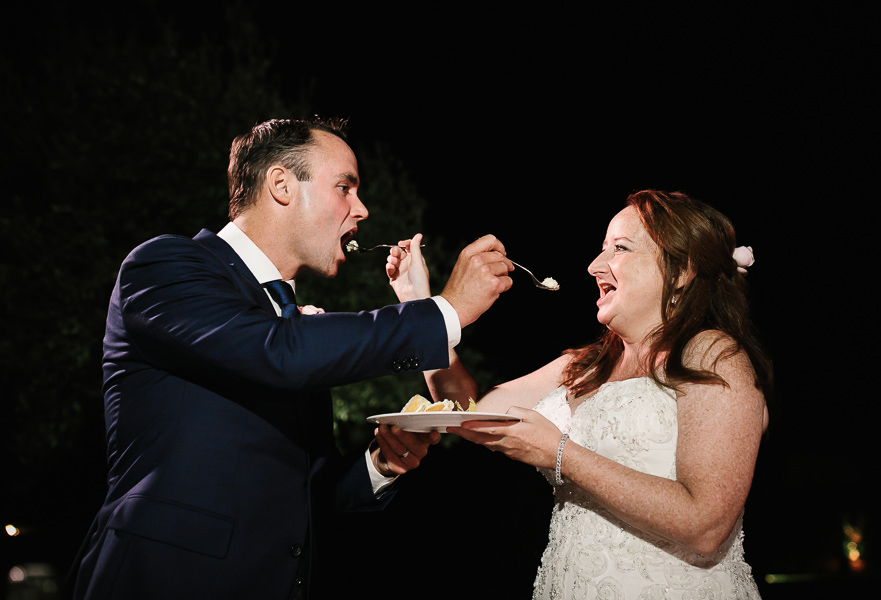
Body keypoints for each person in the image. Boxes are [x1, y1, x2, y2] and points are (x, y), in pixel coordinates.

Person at [68, 117, 514, 600]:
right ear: (281, 184)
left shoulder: (286, 321)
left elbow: (298, 499)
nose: (361, 209)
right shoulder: (165, 267)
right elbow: (278, 352)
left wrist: (378, 464)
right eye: (345, 187)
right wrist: (445, 310)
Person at [387, 190, 773, 599]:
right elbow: (470, 412)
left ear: (681, 270)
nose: (594, 267)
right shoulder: (585, 364)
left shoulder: (713, 355)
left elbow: (707, 526)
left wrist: (559, 452)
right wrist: (420, 308)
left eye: (619, 249)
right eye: (600, 249)